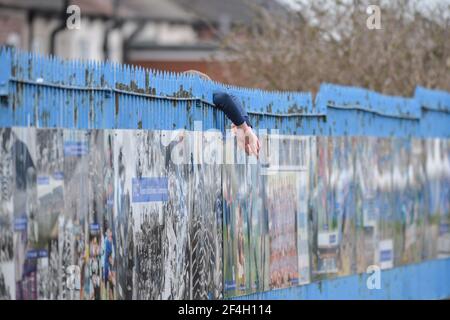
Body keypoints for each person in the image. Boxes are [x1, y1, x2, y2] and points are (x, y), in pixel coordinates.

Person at [183, 70, 260, 158]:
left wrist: (246, 127)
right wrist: (245, 128)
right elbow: (225, 96)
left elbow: (230, 96)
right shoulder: (202, 94)